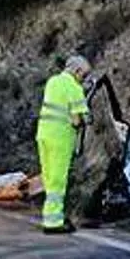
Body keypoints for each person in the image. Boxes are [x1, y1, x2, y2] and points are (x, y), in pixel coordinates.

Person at [36, 55, 92, 234]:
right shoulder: (74, 88)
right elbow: (76, 120)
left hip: (43, 135)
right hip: (60, 138)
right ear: (77, 71)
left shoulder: (52, 81)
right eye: (84, 75)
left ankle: (52, 215)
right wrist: (86, 118)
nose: (83, 79)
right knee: (58, 181)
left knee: (49, 178)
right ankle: (53, 222)